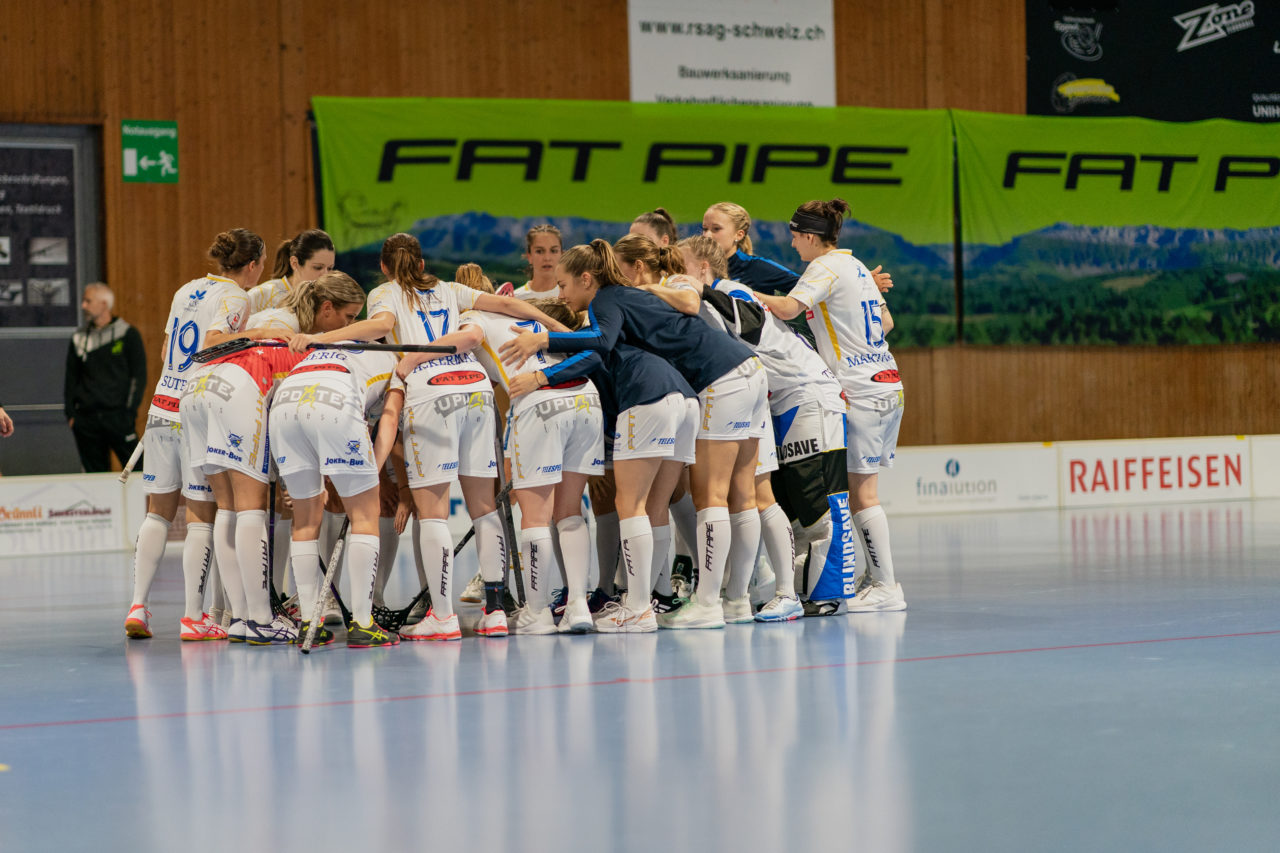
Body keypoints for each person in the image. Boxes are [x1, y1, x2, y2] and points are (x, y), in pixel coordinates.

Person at [291, 233, 565, 641]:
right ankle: (494, 611)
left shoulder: (384, 293)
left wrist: (320, 339)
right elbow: (508, 305)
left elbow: (381, 326)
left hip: (428, 390)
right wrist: (556, 326)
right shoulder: (450, 289)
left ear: (384, 267)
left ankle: (443, 615)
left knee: (433, 513)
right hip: (475, 388)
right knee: (484, 507)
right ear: (421, 264)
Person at [500, 240, 768, 630]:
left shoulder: (606, 300)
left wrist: (542, 354)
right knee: (685, 501)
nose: (560, 293)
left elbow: (598, 346)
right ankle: (715, 599)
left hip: (694, 383)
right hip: (702, 389)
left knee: (652, 502)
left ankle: (660, 605)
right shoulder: (629, 298)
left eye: (563, 284)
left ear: (586, 279)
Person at [182, 272, 367, 645]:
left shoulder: (274, 315)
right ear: (326, 309)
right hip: (242, 385)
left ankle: (240, 618)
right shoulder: (298, 337)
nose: (348, 327)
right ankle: (261, 619)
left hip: (198, 387)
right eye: (347, 318)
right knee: (251, 508)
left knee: (228, 508)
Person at [679, 234, 852, 620]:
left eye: (681, 265)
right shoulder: (707, 297)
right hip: (776, 399)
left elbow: (752, 321)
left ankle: (824, 594)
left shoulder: (730, 290)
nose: (675, 273)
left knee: (816, 501)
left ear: (703, 268)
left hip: (808, 395)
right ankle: (791, 591)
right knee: (786, 501)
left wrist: (703, 291)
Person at [751, 199, 907, 613]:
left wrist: (743, 294)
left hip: (860, 390)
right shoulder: (856, 266)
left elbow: (788, 308)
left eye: (794, 236)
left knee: (863, 495)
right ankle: (876, 579)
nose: (792, 243)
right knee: (864, 492)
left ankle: (887, 586)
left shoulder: (823, 267)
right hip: (888, 382)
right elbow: (887, 323)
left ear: (810, 236)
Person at [125, 228, 266, 641]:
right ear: (253, 265)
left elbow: (168, 348)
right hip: (194, 409)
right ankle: (193, 616)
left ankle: (138, 606)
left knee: (157, 512)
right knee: (200, 516)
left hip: (161, 405)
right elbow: (213, 342)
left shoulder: (186, 289)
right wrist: (256, 336)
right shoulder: (237, 297)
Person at [446, 281, 605, 635]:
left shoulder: (471, 318)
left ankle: (537, 612)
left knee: (535, 517)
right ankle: (578, 606)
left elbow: (470, 339)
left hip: (539, 402)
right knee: (569, 511)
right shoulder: (529, 315)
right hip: (585, 397)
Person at [270, 297, 406, 649]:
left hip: (285, 405)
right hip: (334, 401)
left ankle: (309, 622)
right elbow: (389, 419)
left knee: (304, 521)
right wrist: (373, 471)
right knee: (365, 515)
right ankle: (363, 623)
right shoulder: (394, 360)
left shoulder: (326, 345)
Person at [64, 282, 147, 472]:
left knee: (138, 468)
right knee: (94, 475)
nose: (83, 306)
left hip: (118, 417)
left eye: (88, 301)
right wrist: (71, 415)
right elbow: (70, 379)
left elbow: (138, 377)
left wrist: (129, 414)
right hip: (86, 421)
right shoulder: (78, 338)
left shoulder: (128, 334)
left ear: (104, 304)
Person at [247, 229, 336, 315]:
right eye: (318, 267)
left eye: (329, 268)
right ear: (294, 263)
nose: (325, 275)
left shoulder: (329, 300)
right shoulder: (261, 295)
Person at [511, 224, 562, 300]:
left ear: (562, 255)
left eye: (554, 251)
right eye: (539, 251)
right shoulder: (515, 298)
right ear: (529, 256)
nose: (547, 258)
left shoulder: (571, 296)